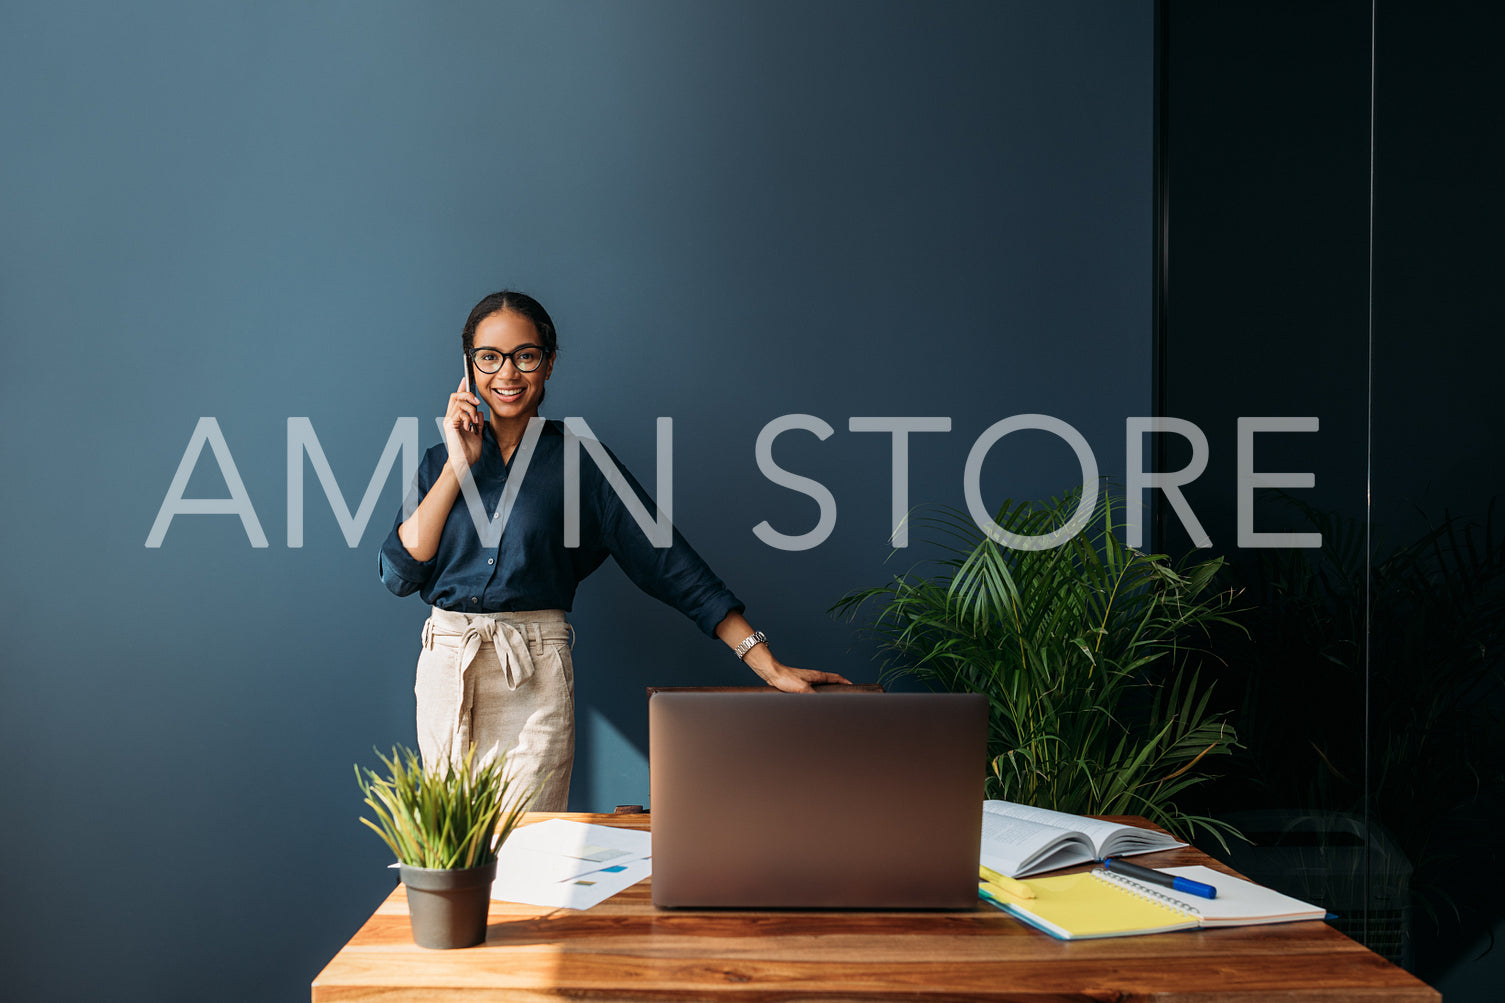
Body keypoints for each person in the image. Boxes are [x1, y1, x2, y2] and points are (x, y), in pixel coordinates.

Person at [378, 290, 849, 809]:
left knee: (531, 853)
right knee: (457, 859)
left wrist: (767, 664)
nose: (506, 374)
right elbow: (400, 574)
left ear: (550, 362)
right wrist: (456, 466)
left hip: (535, 672)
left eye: (525, 356)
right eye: (489, 358)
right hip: (449, 669)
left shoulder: (585, 465)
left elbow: (670, 562)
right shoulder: (436, 461)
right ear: (468, 366)